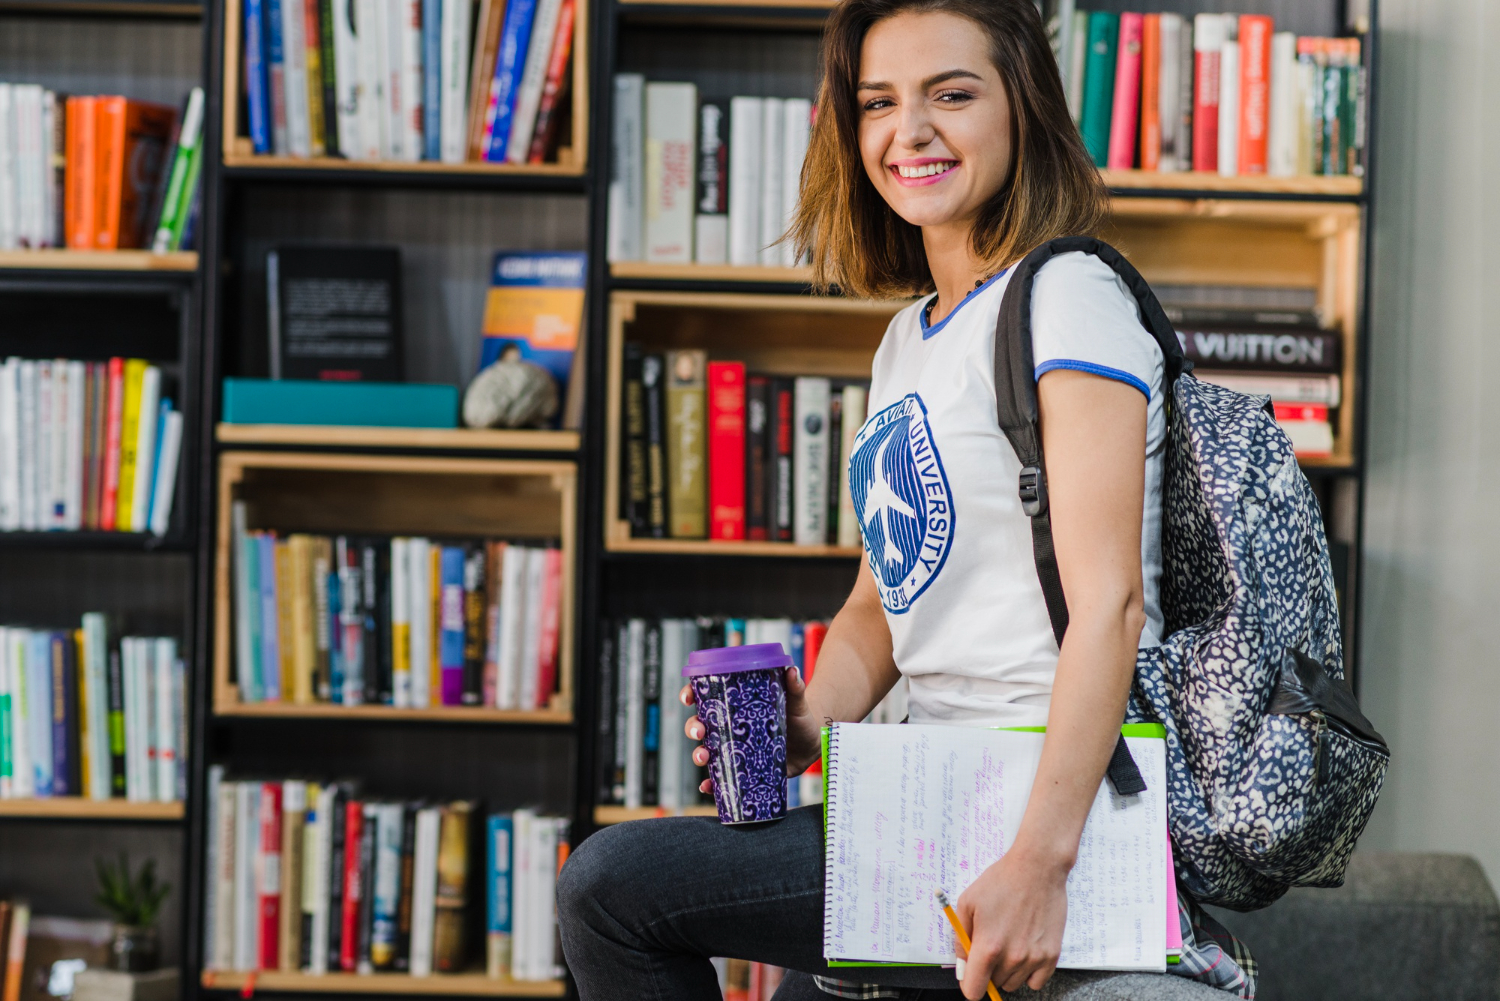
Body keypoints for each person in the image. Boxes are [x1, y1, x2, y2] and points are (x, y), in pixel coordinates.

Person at [559, 2, 1239, 999]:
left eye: (951, 94)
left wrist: (1038, 864)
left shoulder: (1067, 294)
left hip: (1034, 797)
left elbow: (1112, 607)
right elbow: (882, 603)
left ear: (1024, 105)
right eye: (878, 102)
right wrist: (810, 717)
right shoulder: (908, 340)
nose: (908, 131)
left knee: (607, 885)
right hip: (916, 789)